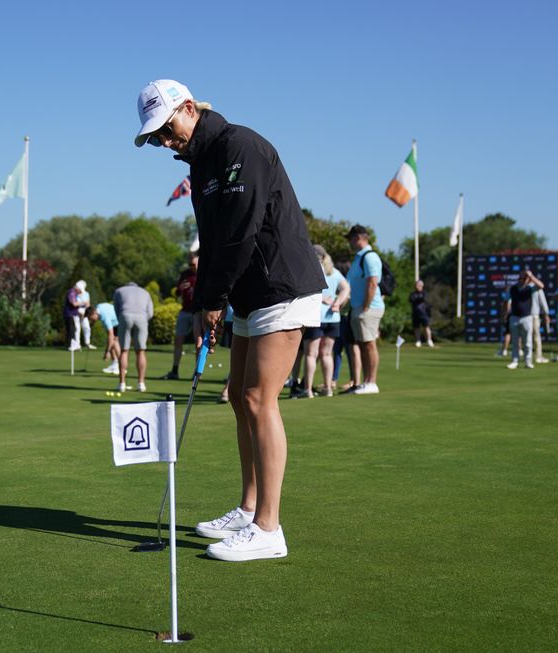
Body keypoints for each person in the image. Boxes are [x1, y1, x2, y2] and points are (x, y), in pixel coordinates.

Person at [135, 79, 324, 561]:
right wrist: (208, 302)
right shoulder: (201, 163)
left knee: (261, 399)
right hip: (246, 292)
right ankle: (248, 509)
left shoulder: (241, 145)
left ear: (190, 108)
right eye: (154, 136)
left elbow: (240, 232)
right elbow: (212, 239)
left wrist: (211, 298)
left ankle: (269, 528)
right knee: (241, 397)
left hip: (281, 284)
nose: (163, 141)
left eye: (165, 128)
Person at [298, 245, 349, 398]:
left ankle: (307, 390)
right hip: (333, 318)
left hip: (316, 316)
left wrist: (323, 299)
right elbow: (346, 288)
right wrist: (338, 302)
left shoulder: (311, 269)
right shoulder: (334, 271)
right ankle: (328, 388)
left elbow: (303, 289)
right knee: (327, 354)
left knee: (311, 354)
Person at [344, 224, 384, 394]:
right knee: (362, 345)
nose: (349, 243)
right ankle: (366, 381)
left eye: (351, 239)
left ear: (359, 237)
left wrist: (365, 306)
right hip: (358, 307)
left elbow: (372, 282)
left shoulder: (369, 256)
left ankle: (372, 382)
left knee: (369, 345)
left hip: (368, 308)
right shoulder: (358, 258)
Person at [160, 252, 203, 380]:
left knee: (198, 343)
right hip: (185, 310)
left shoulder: (204, 273)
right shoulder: (185, 274)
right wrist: (181, 288)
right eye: (190, 264)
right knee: (178, 340)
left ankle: (197, 372)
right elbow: (177, 293)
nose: (192, 267)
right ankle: (175, 370)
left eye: (194, 264)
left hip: (198, 312)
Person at [112, 280, 153, 393]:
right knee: (140, 351)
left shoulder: (119, 291)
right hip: (142, 318)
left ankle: (122, 384)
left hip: (125, 316)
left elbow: (116, 309)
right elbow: (150, 313)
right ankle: (141, 384)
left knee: (124, 350)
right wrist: (144, 319)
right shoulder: (145, 292)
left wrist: (121, 319)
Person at [506, 269, 544, 369]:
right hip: (514, 317)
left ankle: (528, 361)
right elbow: (506, 301)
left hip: (527, 317)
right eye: (522, 278)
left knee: (527, 342)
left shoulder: (529, 288)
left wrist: (531, 277)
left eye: (525, 279)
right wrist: (505, 314)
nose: (523, 280)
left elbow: (541, 286)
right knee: (515, 342)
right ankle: (515, 361)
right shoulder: (513, 288)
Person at [86, 303, 121, 374]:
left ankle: (121, 366)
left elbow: (111, 335)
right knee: (111, 341)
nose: (90, 320)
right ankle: (115, 364)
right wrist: (93, 322)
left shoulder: (104, 317)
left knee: (114, 341)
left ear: (94, 313)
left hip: (119, 321)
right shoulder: (98, 307)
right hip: (116, 319)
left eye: (90, 318)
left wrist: (107, 352)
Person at [409, 280, 434, 347]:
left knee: (426, 327)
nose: (417, 286)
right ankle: (418, 341)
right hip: (415, 313)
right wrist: (418, 299)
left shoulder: (424, 293)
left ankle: (429, 340)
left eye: (418, 285)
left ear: (422, 286)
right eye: (416, 285)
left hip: (424, 313)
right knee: (416, 327)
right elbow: (411, 300)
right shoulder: (413, 294)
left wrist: (418, 299)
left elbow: (424, 299)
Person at [530, 285, 551, 363]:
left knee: (535, 336)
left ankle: (538, 356)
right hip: (524, 315)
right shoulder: (522, 287)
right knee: (531, 336)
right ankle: (530, 356)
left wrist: (546, 314)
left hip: (534, 315)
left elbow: (543, 302)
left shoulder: (537, 288)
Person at [63, 281, 87, 351]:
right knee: (72, 330)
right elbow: (73, 303)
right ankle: (71, 345)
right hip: (70, 314)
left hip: (71, 314)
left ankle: (71, 345)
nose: (80, 292)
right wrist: (83, 303)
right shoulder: (72, 293)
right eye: (80, 290)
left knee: (73, 330)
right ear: (78, 288)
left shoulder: (74, 293)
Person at [74, 281, 95, 350]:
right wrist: (82, 303)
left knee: (87, 328)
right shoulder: (74, 294)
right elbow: (75, 305)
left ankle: (87, 343)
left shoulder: (86, 294)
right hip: (76, 313)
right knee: (77, 329)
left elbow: (88, 304)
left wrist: (84, 311)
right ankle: (77, 345)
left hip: (84, 312)